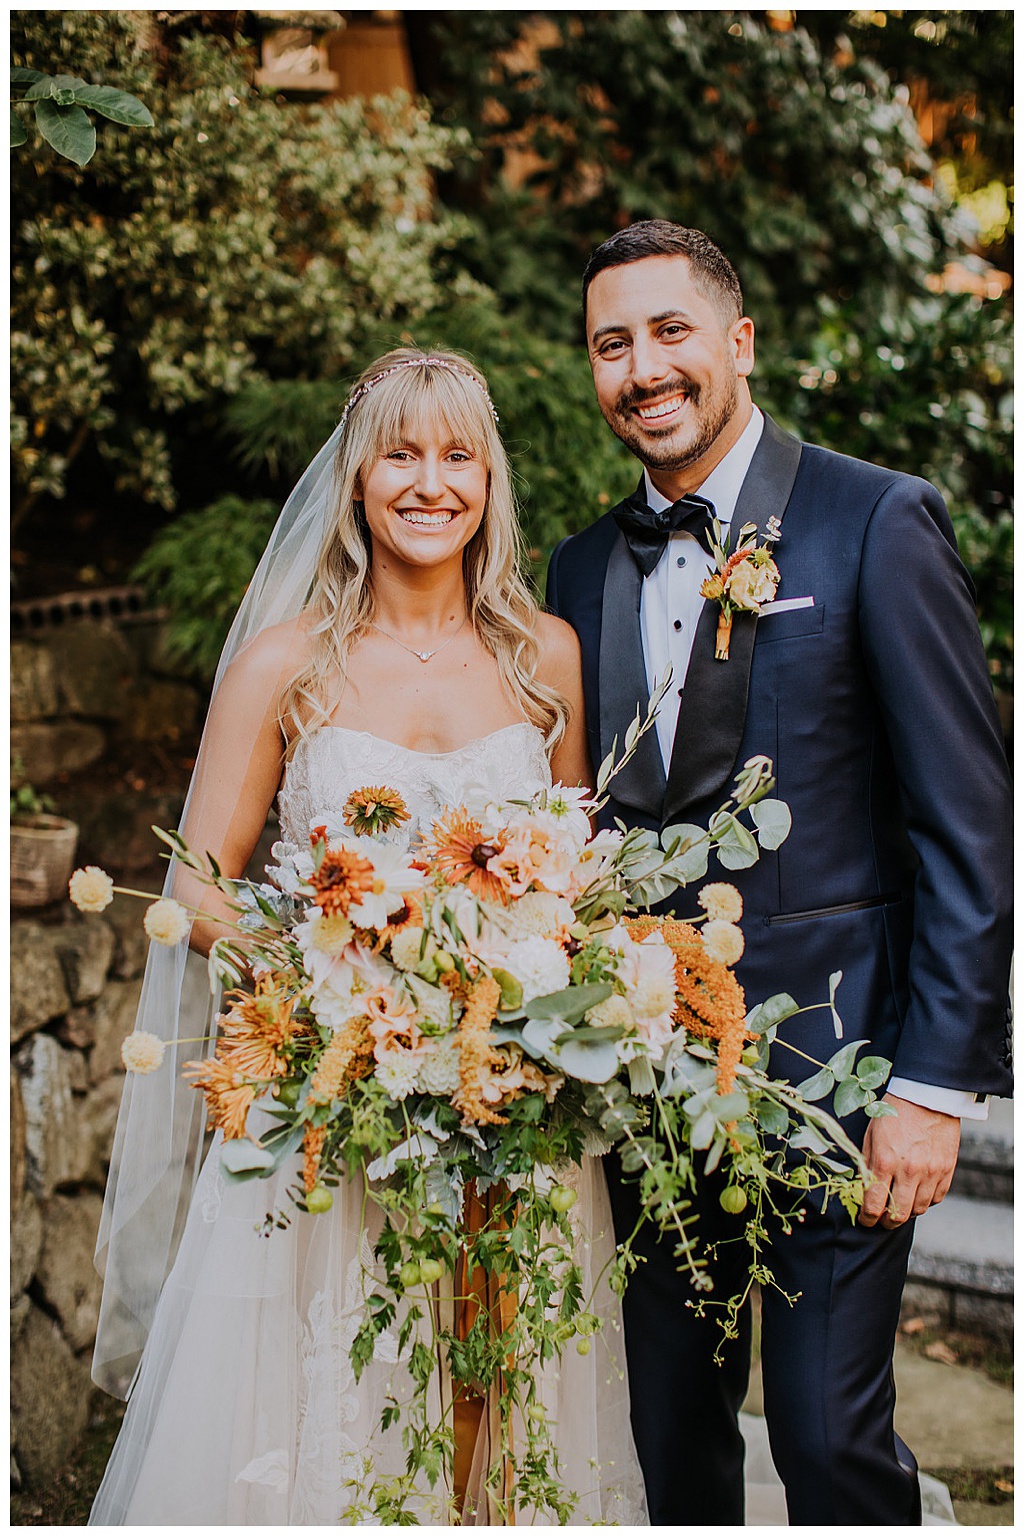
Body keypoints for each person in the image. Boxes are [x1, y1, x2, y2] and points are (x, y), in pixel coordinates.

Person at [87, 348, 648, 1525]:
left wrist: (538, 995)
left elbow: (575, 876)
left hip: (515, 1112)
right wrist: (331, 984)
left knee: (500, 1402)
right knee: (343, 1403)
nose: (428, 481)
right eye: (400, 453)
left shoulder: (546, 657)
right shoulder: (287, 664)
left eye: (456, 456)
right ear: (355, 479)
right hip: (342, 1123)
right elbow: (197, 885)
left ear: (489, 480)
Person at [545, 220, 1013, 1525]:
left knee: (823, 1440)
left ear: (738, 342)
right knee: (671, 1440)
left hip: (841, 1080)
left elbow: (970, 826)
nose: (643, 367)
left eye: (670, 331)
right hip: (642, 1082)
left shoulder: (877, 518)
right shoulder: (577, 571)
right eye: (611, 343)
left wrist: (931, 1088)